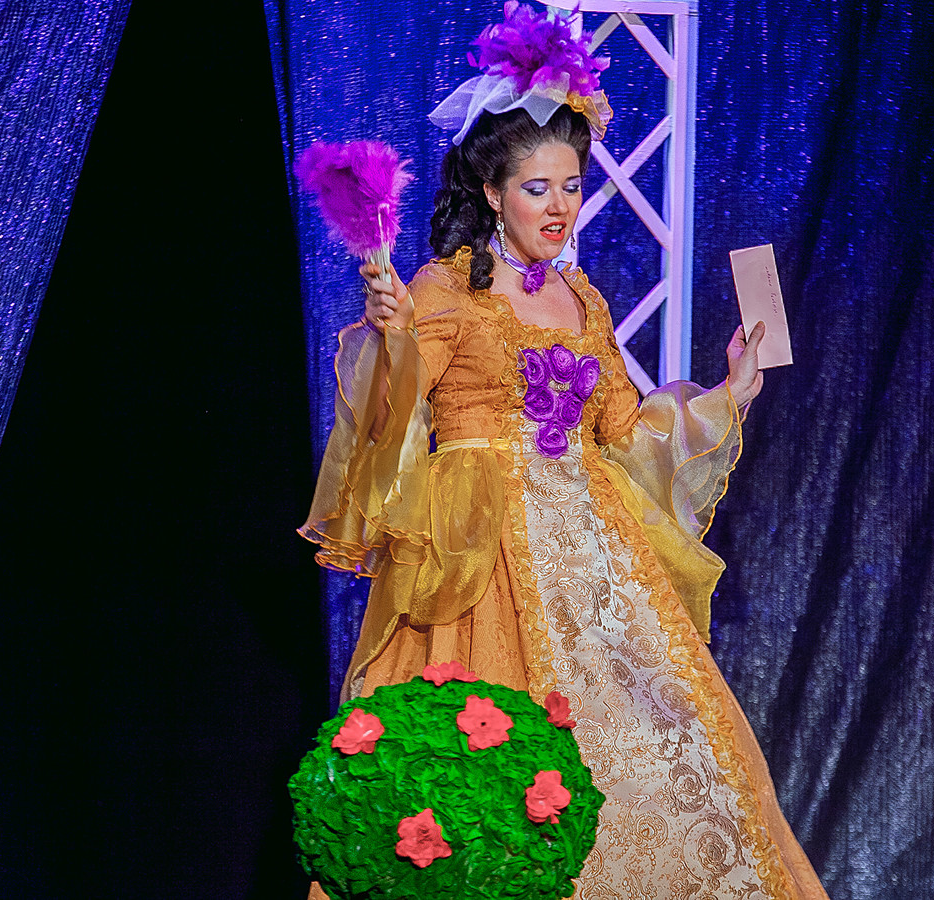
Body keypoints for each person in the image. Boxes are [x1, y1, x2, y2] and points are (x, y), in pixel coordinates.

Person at [302, 6, 828, 897]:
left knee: (661, 752)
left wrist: (730, 390)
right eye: (537, 188)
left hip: (595, 558)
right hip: (481, 557)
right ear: (492, 193)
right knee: (488, 770)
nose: (558, 207)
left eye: (571, 186)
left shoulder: (581, 297)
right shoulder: (443, 291)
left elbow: (624, 430)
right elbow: (389, 426)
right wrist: (391, 339)